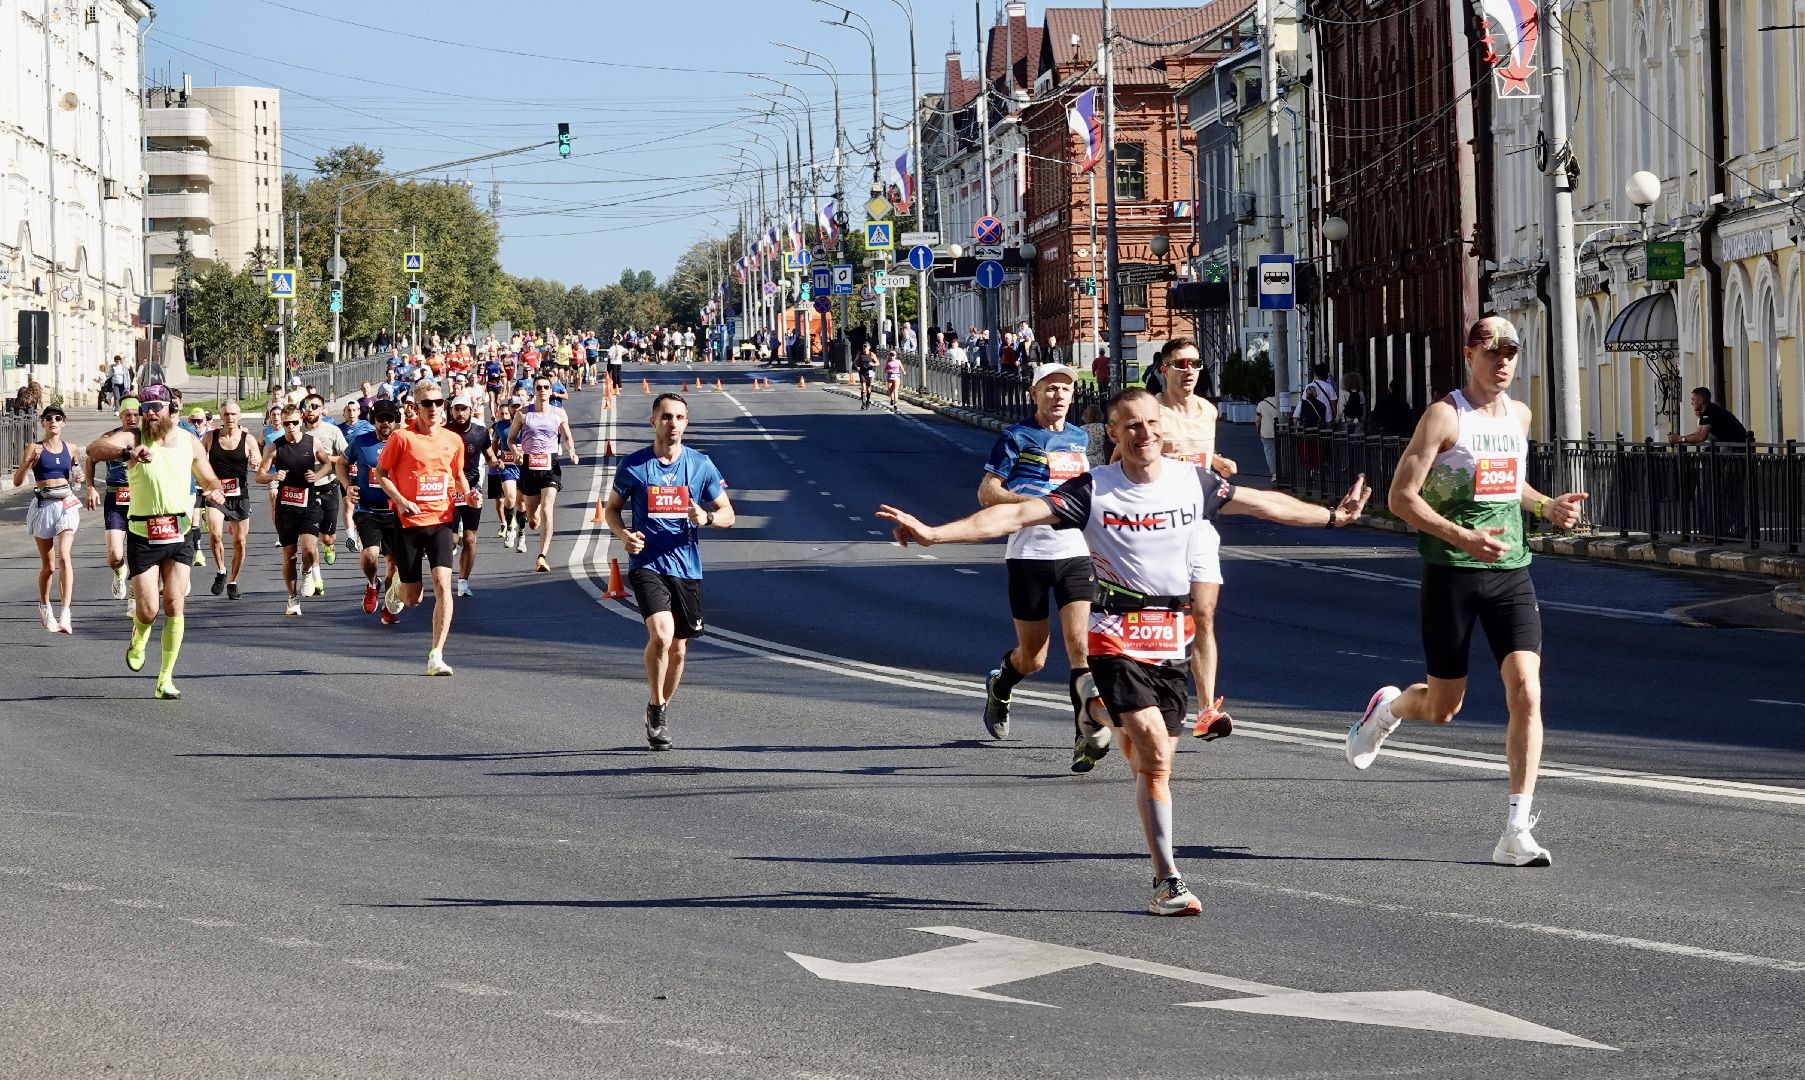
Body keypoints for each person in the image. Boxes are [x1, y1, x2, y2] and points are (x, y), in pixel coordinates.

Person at [878, 387, 1372, 915]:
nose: (1145, 434)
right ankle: (1168, 880)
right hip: (1114, 633)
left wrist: (1332, 518)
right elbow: (1012, 518)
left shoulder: (1193, 482)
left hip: (1171, 636)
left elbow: (1264, 503)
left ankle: (1104, 725)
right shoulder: (1092, 490)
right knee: (1154, 751)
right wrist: (935, 534)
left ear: (1163, 427)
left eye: (1151, 423)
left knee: (1154, 767)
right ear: (1112, 434)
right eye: (1131, 426)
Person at [1346, 316, 1588, 867]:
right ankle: (1387, 710)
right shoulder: (1444, 415)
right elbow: (1402, 497)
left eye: (1511, 352)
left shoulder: (1519, 416)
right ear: (1468, 354)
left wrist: (1544, 506)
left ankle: (1515, 829)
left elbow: (1507, 481)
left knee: (1526, 688)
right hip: (1451, 571)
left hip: (1510, 570)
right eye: (1491, 351)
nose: (1502, 361)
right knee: (1443, 707)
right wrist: (1461, 536)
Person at [976, 363, 1112, 772]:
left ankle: (1084, 736)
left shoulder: (1081, 439)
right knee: (1034, 658)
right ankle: (1001, 683)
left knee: (1081, 649)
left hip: (1074, 554)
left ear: (1073, 397)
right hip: (1028, 556)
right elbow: (987, 492)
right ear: (1034, 393)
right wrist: (1036, 506)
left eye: (1065, 390)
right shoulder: (1016, 437)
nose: (1058, 396)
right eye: (1050, 389)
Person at [605, 393, 736, 750]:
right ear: (653, 421)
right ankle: (657, 706)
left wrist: (706, 517)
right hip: (647, 563)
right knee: (662, 635)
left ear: (686, 423)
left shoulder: (700, 465)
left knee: (679, 648)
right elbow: (612, 510)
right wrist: (624, 536)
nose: (672, 423)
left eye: (679, 417)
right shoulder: (633, 466)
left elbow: (728, 513)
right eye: (666, 417)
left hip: (686, 566)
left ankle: (657, 708)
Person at [85, 384, 228, 699]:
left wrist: (215, 488)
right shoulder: (134, 438)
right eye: (145, 407)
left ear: (170, 409)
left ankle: (165, 678)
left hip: (179, 535)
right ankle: (139, 635)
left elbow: (208, 476)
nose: (150, 413)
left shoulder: (189, 442)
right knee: (149, 610)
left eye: (156, 407)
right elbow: (94, 449)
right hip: (143, 536)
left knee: (175, 605)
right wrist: (127, 453)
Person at [1140, 339, 1239, 741]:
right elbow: (1120, 462)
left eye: (1196, 363)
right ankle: (1142, 696)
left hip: (1198, 524)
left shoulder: (1208, 412)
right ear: (1164, 369)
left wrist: (1215, 462)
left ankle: (1205, 710)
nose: (1189, 370)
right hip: (1155, 525)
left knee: (1203, 614)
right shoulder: (1151, 413)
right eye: (1180, 363)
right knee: (1159, 616)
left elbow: (1196, 455)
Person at [374, 382, 480, 675]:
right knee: (413, 600)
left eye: (438, 402)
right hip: (408, 522)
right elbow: (381, 473)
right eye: (427, 404)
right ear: (415, 407)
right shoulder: (401, 438)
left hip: (442, 521)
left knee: (444, 585)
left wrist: (468, 494)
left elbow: (457, 474)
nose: (433, 408)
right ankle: (396, 586)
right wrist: (400, 499)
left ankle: (436, 655)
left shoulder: (452, 440)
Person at [256, 405, 332, 617]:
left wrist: (317, 476)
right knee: (289, 555)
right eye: (286, 423)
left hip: (308, 504)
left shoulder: (312, 442)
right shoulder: (275, 447)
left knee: (309, 549)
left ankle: (307, 570)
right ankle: (292, 598)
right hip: (286, 508)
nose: (290, 427)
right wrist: (273, 477)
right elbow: (259, 475)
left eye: (294, 423)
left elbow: (327, 464)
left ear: (301, 422)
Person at [14, 405, 83, 632]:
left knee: (65, 556)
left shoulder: (71, 448)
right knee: (49, 567)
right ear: (42, 423)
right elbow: (17, 481)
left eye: (58, 418)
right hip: (44, 505)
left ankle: (66, 613)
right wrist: (28, 462)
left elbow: (76, 474)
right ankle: (45, 606)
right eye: (48, 418)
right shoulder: (34, 447)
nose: (53, 421)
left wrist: (80, 476)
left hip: (66, 504)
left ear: (64, 422)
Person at [509, 375, 579, 572]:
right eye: (539, 387)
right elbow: (512, 438)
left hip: (550, 465)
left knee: (548, 509)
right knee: (533, 521)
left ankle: (542, 556)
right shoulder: (523, 414)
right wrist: (515, 451)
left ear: (550, 390)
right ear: (534, 390)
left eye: (546, 387)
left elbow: (567, 436)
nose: (542, 390)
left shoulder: (558, 413)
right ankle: (534, 515)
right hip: (529, 466)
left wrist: (572, 451)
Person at [85, 396, 141, 609]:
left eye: (136, 414)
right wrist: (90, 487)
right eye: (128, 415)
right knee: (114, 555)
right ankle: (119, 571)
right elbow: (91, 459)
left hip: (141, 499)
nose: (132, 419)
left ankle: (135, 597)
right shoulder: (109, 437)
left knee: (138, 553)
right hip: (115, 498)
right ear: (120, 416)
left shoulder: (146, 438)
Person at [201, 401, 259, 599]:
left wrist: (255, 463)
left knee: (240, 542)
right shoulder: (210, 437)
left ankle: (233, 581)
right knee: (215, 534)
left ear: (239, 416)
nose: (230, 418)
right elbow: (197, 461)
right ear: (221, 416)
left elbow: (259, 464)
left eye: (233, 414)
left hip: (239, 495)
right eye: (226, 414)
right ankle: (221, 571)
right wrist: (205, 484)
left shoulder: (248, 439)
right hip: (216, 494)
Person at [445, 393, 495, 596]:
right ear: (451, 411)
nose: (460, 413)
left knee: (470, 539)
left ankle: (463, 582)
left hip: (473, 491)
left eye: (463, 409)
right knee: (452, 540)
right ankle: (444, 576)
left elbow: (489, 455)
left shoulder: (481, 432)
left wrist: (496, 463)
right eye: (456, 409)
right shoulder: (443, 432)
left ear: (470, 410)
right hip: (449, 492)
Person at [301, 393, 349, 590]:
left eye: (315, 406)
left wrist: (325, 459)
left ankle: (329, 545)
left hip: (328, 487)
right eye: (307, 406)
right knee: (309, 539)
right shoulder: (297, 432)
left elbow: (346, 457)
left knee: (326, 537)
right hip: (305, 491)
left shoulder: (332, 431)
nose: (311, 409)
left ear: (321, 409)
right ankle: (316, 579)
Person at [1254, 392, 1281, 479]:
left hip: (1266, 432)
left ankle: (1274, 474)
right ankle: (1283, 471)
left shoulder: (1261, 404)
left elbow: (1258, 420)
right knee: (1281, 451)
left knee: (1270, 453)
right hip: (1280, 431)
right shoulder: (1279, 401)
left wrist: (1257, 429)